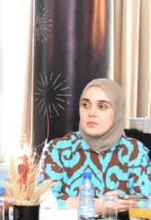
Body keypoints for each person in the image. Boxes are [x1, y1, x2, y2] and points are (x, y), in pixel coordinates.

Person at [41, 78, 151, 212]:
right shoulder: (59, 148)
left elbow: (146, 202)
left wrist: (126, 203)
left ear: (117, 112)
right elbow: (44, 200)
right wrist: (95, 205)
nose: (91, 113)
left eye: (102, 106)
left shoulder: (134, 150)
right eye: (85, 105)